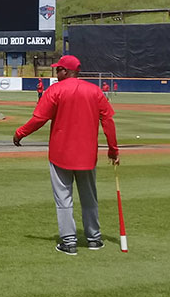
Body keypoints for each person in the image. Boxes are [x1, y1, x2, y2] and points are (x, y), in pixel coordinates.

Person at [13, 55, 119, 256]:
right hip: (87, 155)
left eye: (58, 69)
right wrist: (113, 150)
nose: (56, 72)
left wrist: (20, 133)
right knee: (89, 198)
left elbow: (38, 119)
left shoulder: (55, 90)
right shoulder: (95, 91)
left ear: (66, 71)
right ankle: (94, 239)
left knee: (63, 198)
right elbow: (108, 122)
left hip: (60, 154)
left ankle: (69, 241)